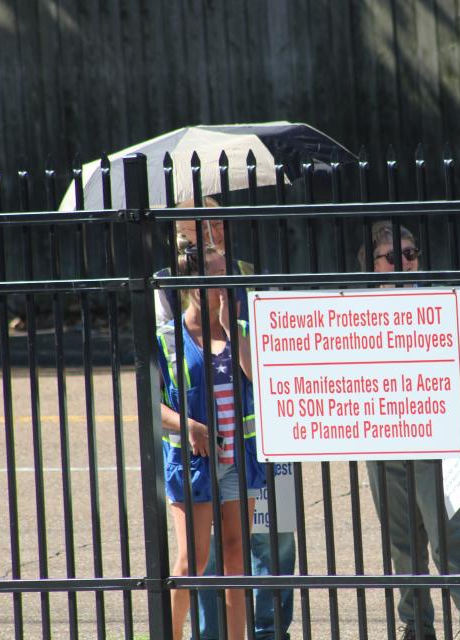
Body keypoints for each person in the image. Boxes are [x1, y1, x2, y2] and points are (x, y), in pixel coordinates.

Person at [155, 206, 296, 640]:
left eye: (212, 225)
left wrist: (234, 330)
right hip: (205, 458)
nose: (205, 235)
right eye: (192, 232)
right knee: (201, 558)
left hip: (266, 451)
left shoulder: (253, 276)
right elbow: (157, 393)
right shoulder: (168, 284)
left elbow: (276, 368)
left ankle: (274, 631)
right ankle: (203, 632)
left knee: (278, 538)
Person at [360, 221, 460, 640]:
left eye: (411, 254)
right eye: (393, 256)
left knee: (447, 535)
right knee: (402, 542)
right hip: (380, 438)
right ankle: (415, 625)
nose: (404, 262)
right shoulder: (355, 313)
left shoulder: (440, 305)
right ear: (373, 266)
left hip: (432, 435)